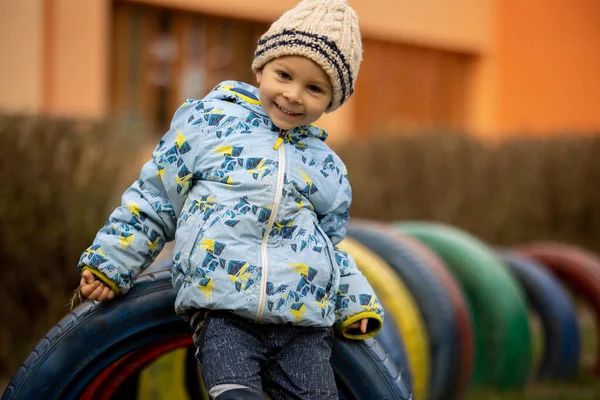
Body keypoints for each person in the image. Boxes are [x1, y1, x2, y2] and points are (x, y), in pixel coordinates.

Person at [77, 0, 384, 398]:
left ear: (333, 99)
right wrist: (112, 262)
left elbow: (329, 247)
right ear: (261, 67)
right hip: (223, 313)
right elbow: (156, 200)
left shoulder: (327, 168)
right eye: (284, 75)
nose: (293, 95)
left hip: (302, 329)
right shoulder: (209, 123)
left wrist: (355, 303)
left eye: (314, 88)